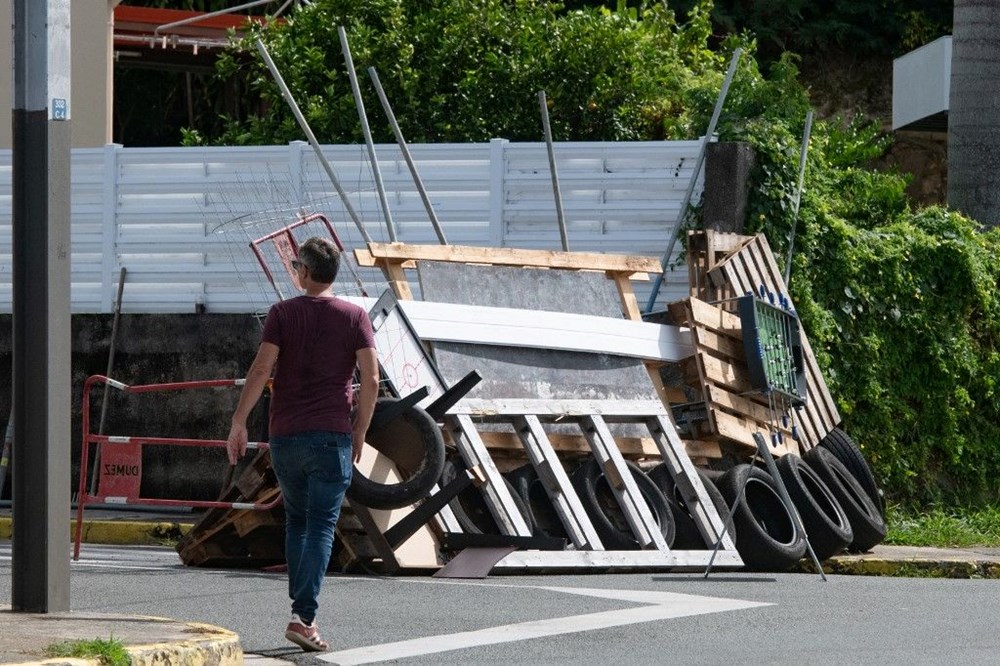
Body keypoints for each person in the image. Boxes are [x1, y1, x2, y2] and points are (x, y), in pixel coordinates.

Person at [226, 236, 378, 652]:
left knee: (296, 520)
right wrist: (360, 429)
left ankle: (300, 610)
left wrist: (239, 421)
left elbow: (260, 369)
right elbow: (372, 380)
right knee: (322, 523)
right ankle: (303, 616)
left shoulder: (282, 313)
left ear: (305, 273)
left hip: (286, 436)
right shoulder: (355, 317)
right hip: (330, 435)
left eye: (296, 267)